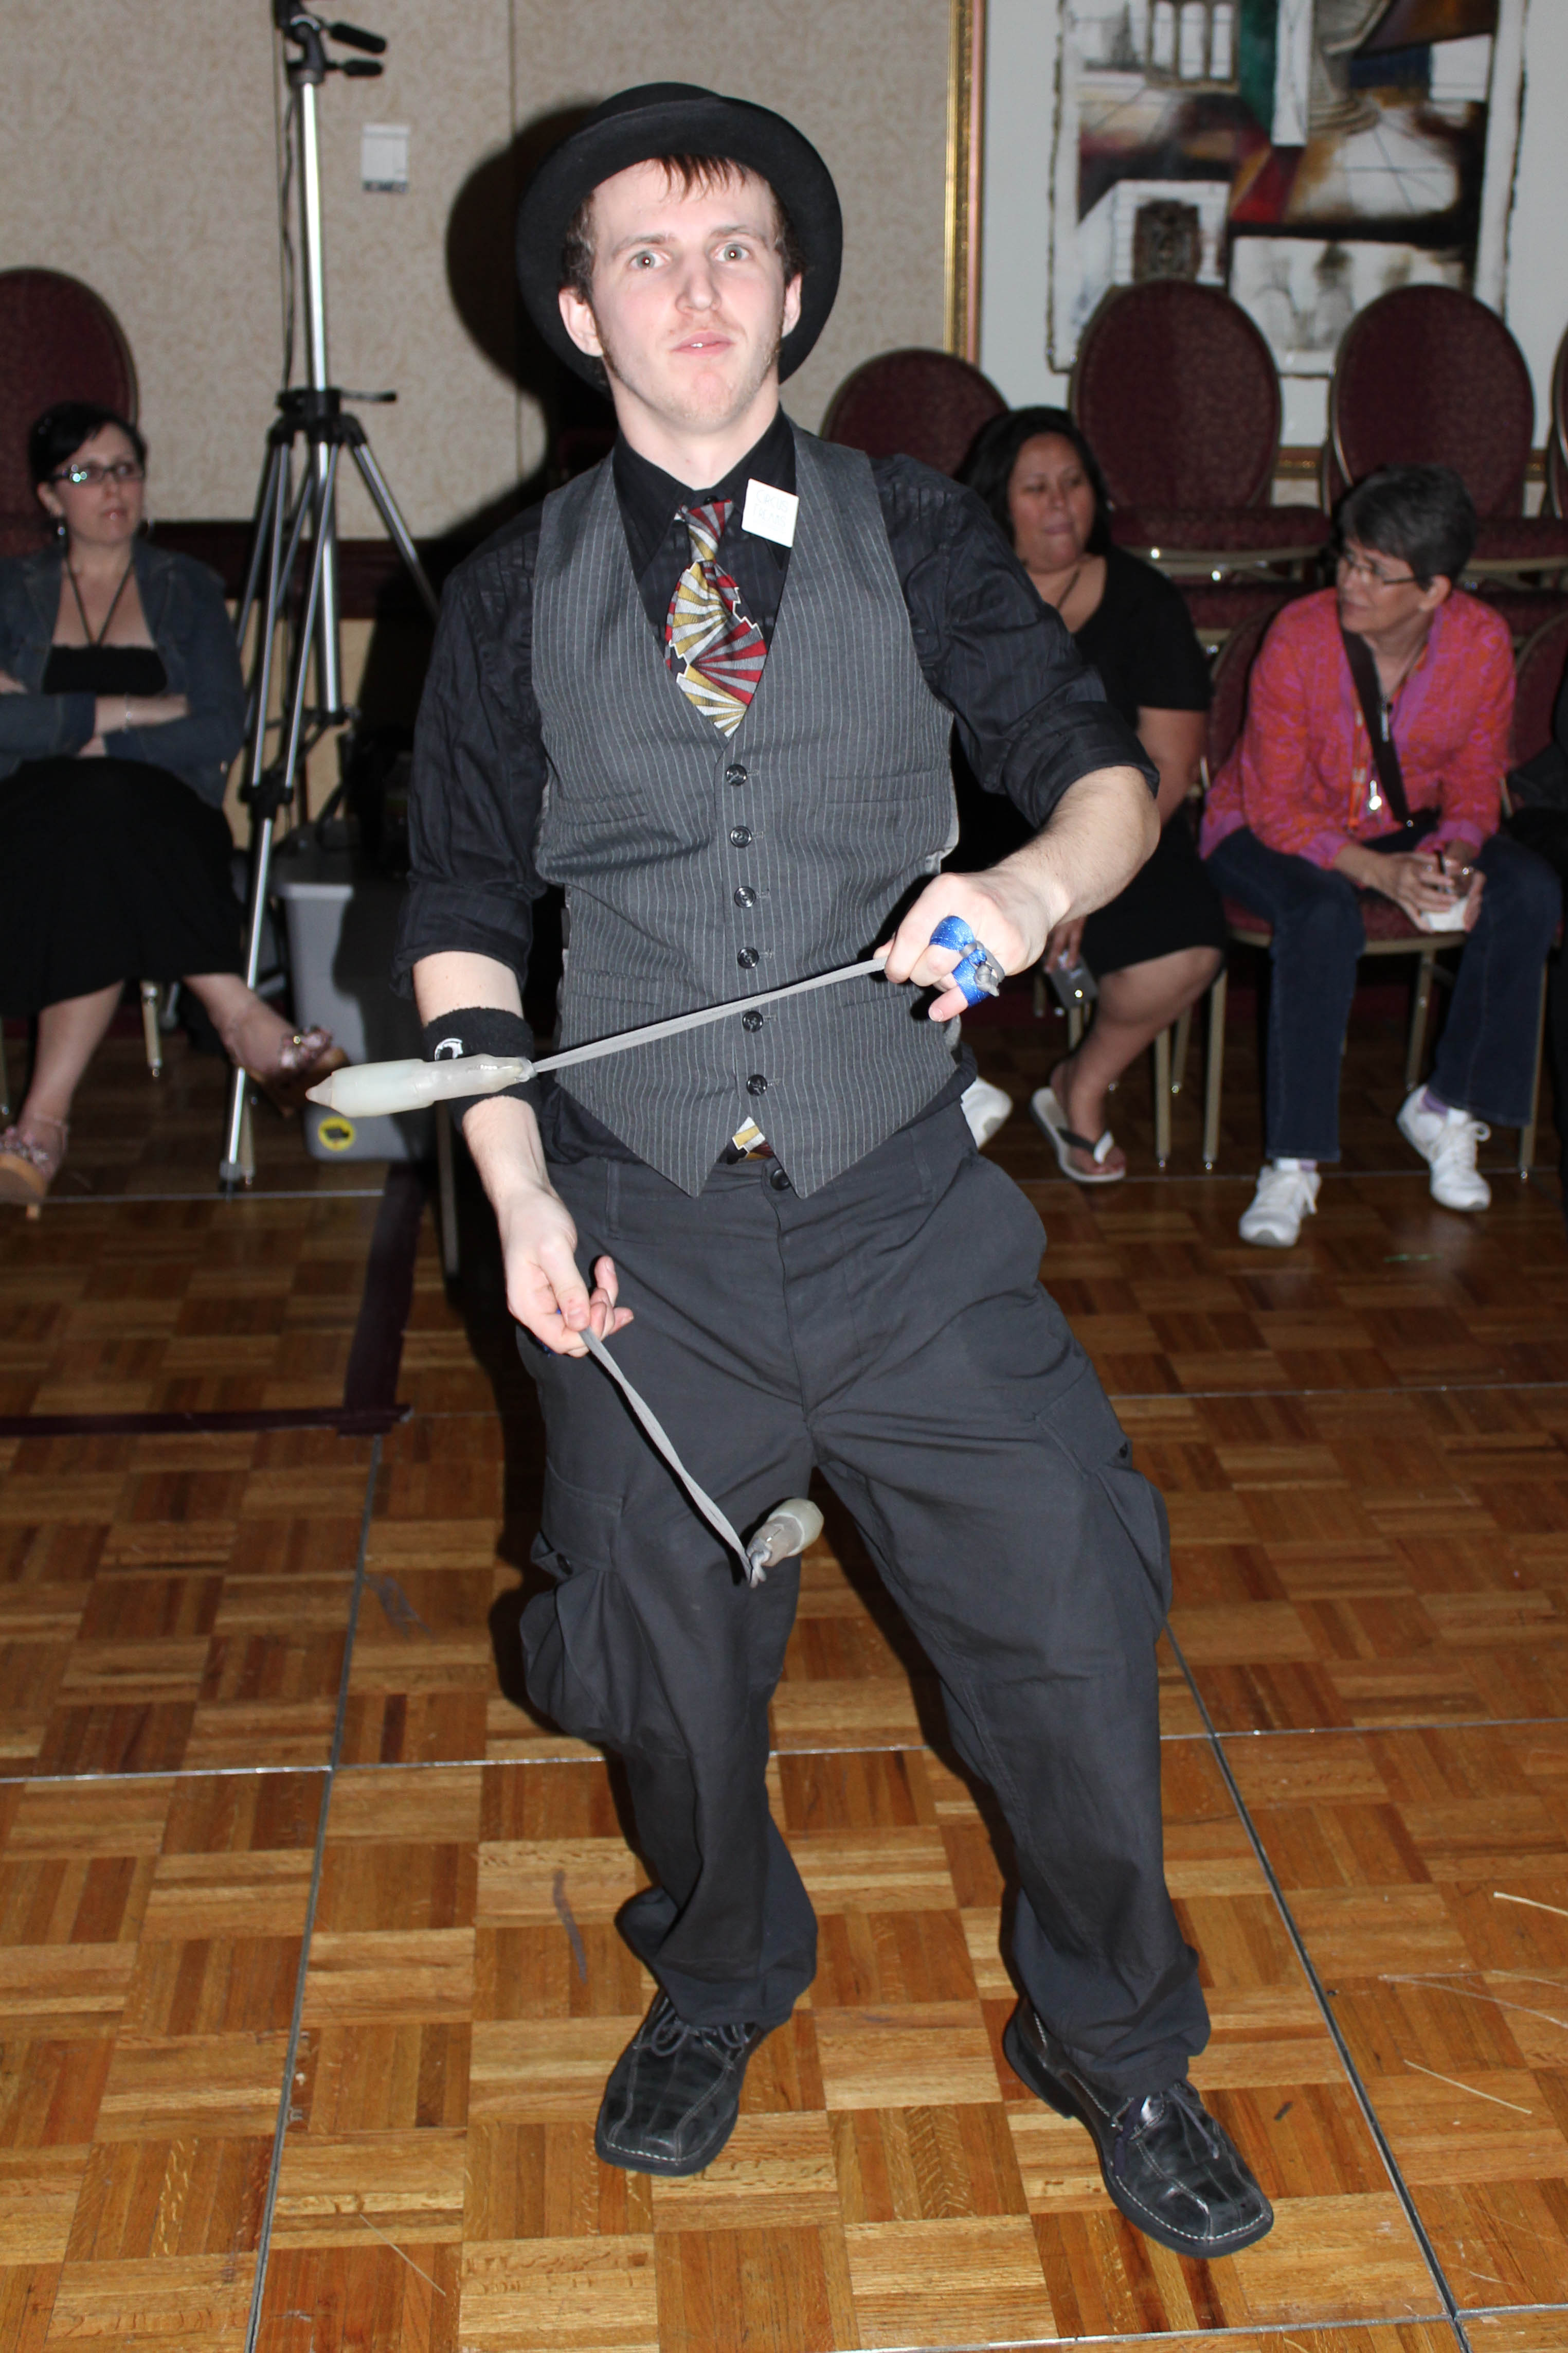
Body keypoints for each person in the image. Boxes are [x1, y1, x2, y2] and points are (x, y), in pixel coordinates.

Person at [398, 84, 1272, 2256]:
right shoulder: (501, 596)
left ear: (790, 294)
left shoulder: (920, 535)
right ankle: (721, 1965)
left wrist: (1027, 889)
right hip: (637, 1217)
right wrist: (516, 1192)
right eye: (644, 256)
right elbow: (461, 919)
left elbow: (1100, 783)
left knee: (1071, 1608)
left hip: (902, 1204)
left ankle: (1114, 2033)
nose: (693, 290)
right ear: (583, 316)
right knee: (661, 1669)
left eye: (734, 251)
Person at [1202, 464, 1561, 1247]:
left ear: (1434, 590)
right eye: (1348, 557)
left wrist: (1452, 857)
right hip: (1260, 827)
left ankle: (1445, 1107)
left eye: (1374, 570)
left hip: (1396, 826)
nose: (1349, 581)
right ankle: (1293, 1162)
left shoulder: (1479, 642)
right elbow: (1273, 806)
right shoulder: (1299, 635)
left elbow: (1475, 782)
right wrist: (1379, 872)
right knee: (1321, 911)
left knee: (1528, 889)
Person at [0, 402, 346, 1206]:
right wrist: (132, 710)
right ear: (49, 495)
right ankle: (239, 1014)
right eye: (86, 473)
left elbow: (220, 728)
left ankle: (41, 1125)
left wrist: (70, 732)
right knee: (89, 822)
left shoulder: (186, 587)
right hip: (28, 821)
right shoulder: (10, 593)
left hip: (161, 818)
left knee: (100, 820)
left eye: (125, 469)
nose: (111, 488)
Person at [960, 408, 1224, 1178]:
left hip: (1117, 817)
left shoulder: (1145, 601)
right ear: (998, 502)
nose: (1059, 503)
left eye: (1073, 483)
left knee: (1186, 947)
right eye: (1035, 487)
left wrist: (1082, 878)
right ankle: (939, 1091)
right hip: (973, 824)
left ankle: (1080, 1084)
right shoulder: (959, 597)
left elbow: (1170, 763)